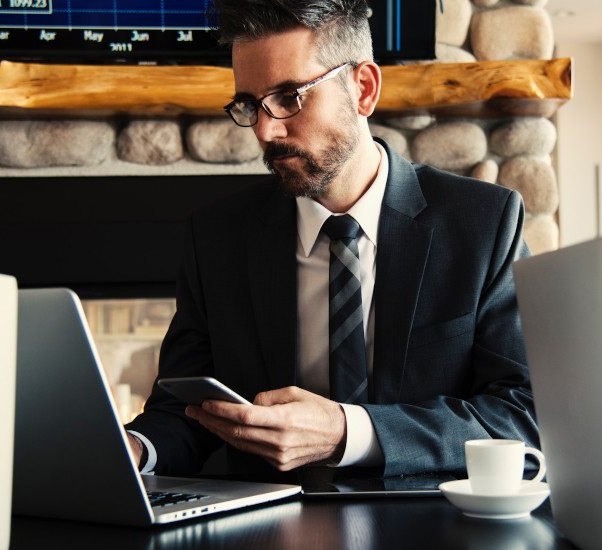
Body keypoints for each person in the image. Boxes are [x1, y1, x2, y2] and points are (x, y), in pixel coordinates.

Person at [125, 0, 538, 482]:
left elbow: (522, 413)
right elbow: (185, 412)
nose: (265, 130)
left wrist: (350, 432)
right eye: (249, 105)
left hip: (430, 522)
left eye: (289, 97)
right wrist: (133, 448)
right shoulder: (215, 237)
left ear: (363, 89)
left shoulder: (484, 223)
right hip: (269, 527)